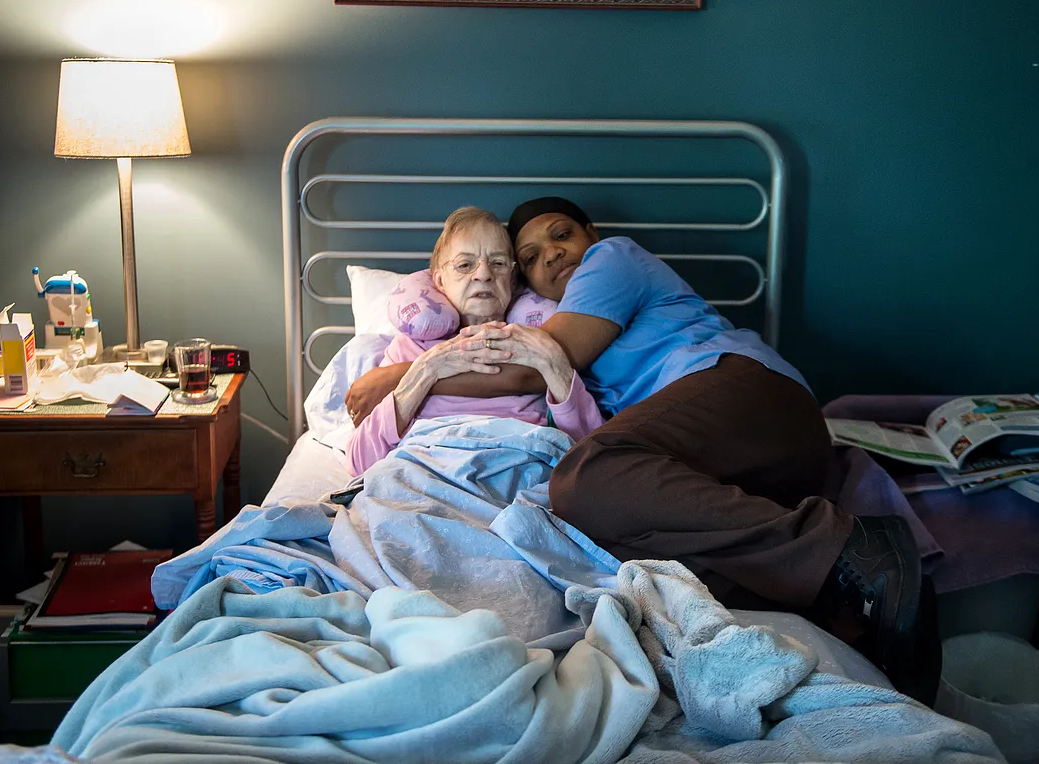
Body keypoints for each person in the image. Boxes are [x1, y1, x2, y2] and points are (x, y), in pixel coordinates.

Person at [347, 197, 938, 700]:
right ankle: (854, 621)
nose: (550, 254)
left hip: (745, 393)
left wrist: (402, 376)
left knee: (586, 477)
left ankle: (852, 550)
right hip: (729, 459)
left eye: (562, 235)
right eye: (529, 257)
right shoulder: (542, 317)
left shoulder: (612, 261)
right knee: (633, 562)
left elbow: (536, 368)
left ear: (591, 238)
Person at [345, 206, 604, 476]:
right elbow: (359, 462)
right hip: (425, 472)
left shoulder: (537, 346)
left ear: (513, 280)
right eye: (465, 264)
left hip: (518, 474)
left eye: (498, 263)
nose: (483, 274)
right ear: (440, 282)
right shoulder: (410, 348)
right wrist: (424, 372)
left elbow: (591, 454)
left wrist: (553, 362)